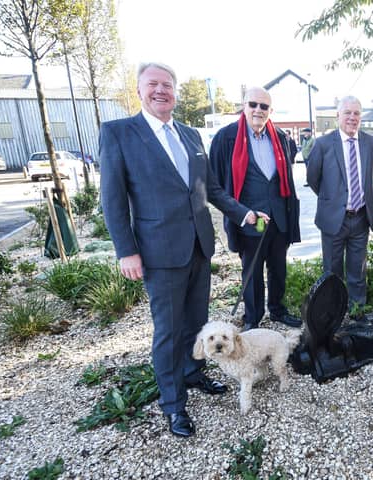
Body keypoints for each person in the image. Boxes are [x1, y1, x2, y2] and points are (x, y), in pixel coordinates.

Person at [100, 62, 260, 438]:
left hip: (199, 248)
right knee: (169, 333)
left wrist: (244, 213)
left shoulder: (190, 135)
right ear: (139, 90)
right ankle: (173, 405)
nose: (161, 91)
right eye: (153, 84)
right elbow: (112, 199)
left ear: (175, 91)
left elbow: (210, 191)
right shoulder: (119, 133)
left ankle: (192, 373)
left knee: (195, 324)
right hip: (158, 252)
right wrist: (127, 251)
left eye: (167, 85)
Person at [209, 87, 301, 332]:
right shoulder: (225, 138)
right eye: (253, 104)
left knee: (278, 268)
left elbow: (285, 179)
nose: (258, 110)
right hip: (249, 221)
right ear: (244, 105)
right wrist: (241, 213)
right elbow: (215, 186)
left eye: (264, 106)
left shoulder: (281, 138)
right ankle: (253, 317)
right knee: (251, 273)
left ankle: (278, 310)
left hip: (279, 218)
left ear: (271, 110)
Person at [307, 96, 373, 319]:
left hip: (360, 217)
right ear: (337, 115)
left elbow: (370, 175)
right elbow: (313, 179)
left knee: (358, 271)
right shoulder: (322, 144)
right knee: (332, 271)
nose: (352, 117)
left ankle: (357, 312)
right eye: (347, 113)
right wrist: (333, 200)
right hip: (333, 219)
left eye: (356, 113)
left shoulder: (370, 143)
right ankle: (333, 313)